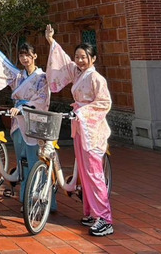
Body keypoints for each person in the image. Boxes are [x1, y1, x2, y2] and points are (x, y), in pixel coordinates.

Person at [45, 24, 113, 237]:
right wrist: (51, 42)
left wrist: (81, 113)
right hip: (80, 129)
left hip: (92, 131)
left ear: (93, 59)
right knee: (84, 173)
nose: (80, 60)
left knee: (94, 174)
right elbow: (64, 61)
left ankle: (105, 218)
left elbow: (104, 103)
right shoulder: (78, 72)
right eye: (78, 56)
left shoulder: (96, 78)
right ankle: (92, 213)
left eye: (84, 57)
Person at [0, 35, 56, 213]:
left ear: (35, 56)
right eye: (21, 55)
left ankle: (40, 199)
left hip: (34, 122)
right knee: (22, 161)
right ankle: (25, 198)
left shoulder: (42, 77)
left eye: (28, 55)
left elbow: (42, 100)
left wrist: (24, 107)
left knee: (35, 161)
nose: (24, 58)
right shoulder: (19, 76)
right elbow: (4, 67)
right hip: (18, 123)